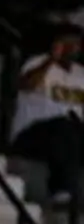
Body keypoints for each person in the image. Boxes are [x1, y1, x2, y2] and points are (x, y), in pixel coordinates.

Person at [10, 25, 83, 207]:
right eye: (70, 43)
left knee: (71, 127)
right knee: (63, 126)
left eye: (77, 43)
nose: (75, 47)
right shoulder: (37, 63)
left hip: (71, 134)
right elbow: (25, 85)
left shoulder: (81, 73)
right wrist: (51, 60)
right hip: (32, 134)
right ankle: (60, 189)